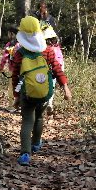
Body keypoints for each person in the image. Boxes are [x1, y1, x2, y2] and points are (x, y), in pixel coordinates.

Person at [10, 16, 72, 166]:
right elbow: (58, 70)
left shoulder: (19, 53)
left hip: (27, 93)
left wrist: (17, 96)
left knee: (27, 121)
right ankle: (36, 144)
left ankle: (25, 153)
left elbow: (15, 77)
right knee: (39, 118)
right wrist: (66, 88)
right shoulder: (48, 50)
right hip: (44, 92)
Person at [42, 26, 64, 116]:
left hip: (44, 72)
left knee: (43, 88)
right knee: (52, 88)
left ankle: (43, 104)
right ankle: (49, 103)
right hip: (55, 73)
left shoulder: (44, 49)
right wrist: (61, 73)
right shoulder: (57, 48)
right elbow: (61, 62)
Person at [0, 24, 20, 105]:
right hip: (24, 69)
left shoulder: (10, 44)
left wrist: (1, 68)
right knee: (21, 86)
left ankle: (11, 106)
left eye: (8, 33)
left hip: (13, 70)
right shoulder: (24, 44)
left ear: (12, 34)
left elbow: (4, 58)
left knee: (11, 88)